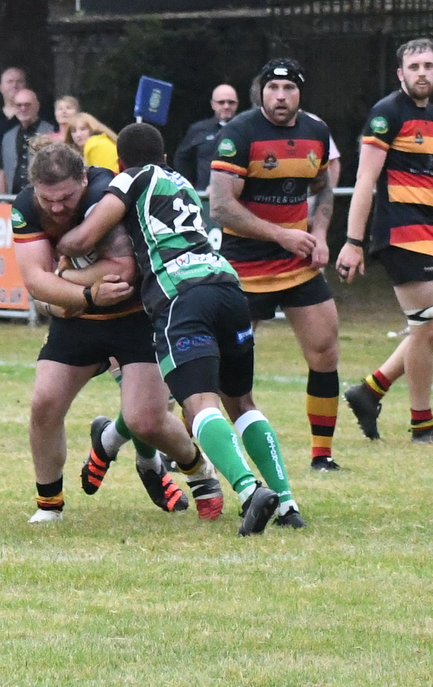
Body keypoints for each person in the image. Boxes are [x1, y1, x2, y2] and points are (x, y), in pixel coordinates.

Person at [58, 122, 299, 534]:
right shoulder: (181, 182)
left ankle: (248, 490)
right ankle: (288, 503)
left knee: (198, 403)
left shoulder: (131, 179)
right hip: (227, 287)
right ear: (166, 157)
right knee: (242, 404)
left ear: (120, 163)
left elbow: (84, 239)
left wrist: (61, 250)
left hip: (181, 295)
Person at [11, 142, 223, 523]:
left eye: (65, 198)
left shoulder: (104, 193)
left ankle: (197, 467)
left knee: (146, 421)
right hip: (80, 318)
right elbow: (35, 280)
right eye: (48, 200)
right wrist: (85, 296)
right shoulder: (25, 207)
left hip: (135, 316)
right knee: (45, 403)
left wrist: (63, 280)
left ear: (83, 178)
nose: (56, 208)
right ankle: (49, 504)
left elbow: (122, 270)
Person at [336, 38, 433, 444]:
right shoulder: (387, 113)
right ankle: (422, 426)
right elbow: (365, 179)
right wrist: (353, 241)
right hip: (400, 232)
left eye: (428, 66)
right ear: (400, 74)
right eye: (414, 67)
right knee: (425, 327)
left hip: (430, 233)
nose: (422, 73)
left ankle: (370, 390)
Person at [208, 58, 342, 473]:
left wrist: (320, 235)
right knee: (221, 363)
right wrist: (281, 234)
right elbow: (220, 206)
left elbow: (323, 189)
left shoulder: (316, 132)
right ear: (261, 92)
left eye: (289, 89)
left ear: (300, 93)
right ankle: (192, 447)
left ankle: (322, 455)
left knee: (325, 350)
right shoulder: (239, 134)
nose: (280, 96)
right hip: (244, 269)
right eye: (273, 88)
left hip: (297, 266)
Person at [173, 84, 239, 191]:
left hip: (237, 195)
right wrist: (188, 187)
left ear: (237, 104)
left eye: (231, 102)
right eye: (221, 102)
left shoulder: (245, 129)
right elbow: (182, 159)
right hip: (203, 194)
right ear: (213, 104)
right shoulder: (198, 129)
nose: (226, 106)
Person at [0, 89, 54, 195]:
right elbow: (2, 171)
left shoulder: (50, 132)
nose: (23, 109)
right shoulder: (8, 136)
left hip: (41, 197)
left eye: (27, 105)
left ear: (37, 106)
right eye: (19, 105)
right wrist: (1, 198)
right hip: (12, 197)